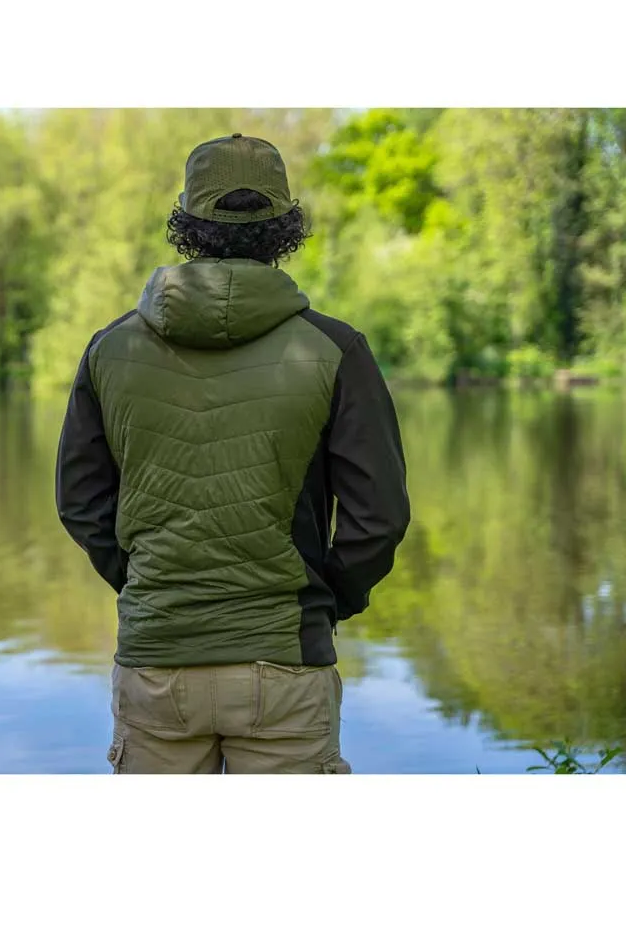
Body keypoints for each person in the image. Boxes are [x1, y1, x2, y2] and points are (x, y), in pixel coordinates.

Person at [55, 133, 410, 774]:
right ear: (285, 228)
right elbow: (378, 517)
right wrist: (322, 603)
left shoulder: (110, 348)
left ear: (187, 223)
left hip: (157, 660)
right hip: (286, 667)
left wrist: (145, 583)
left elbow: (80, 503)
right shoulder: (336, 349)